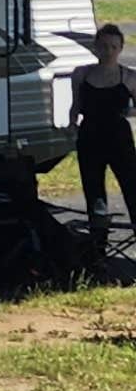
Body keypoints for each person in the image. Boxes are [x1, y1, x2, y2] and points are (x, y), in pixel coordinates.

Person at [74, 23, 136, 244]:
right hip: (90, 137)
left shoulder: (129, 77)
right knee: (95, 195)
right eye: (103, 46)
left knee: (132, 188)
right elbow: (75, 107)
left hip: (119, 137)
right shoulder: (81, 74)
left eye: (113, 46)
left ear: (120, 48)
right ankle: (98, 250)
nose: (108, 51)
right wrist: (70, 129)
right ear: (95, 48)